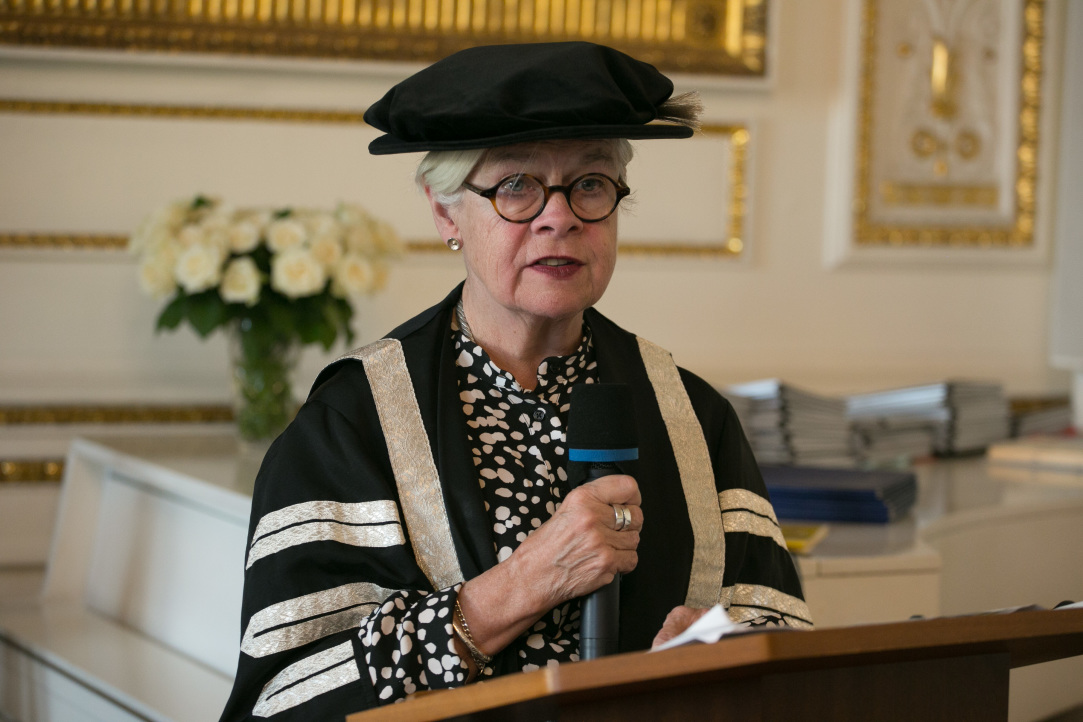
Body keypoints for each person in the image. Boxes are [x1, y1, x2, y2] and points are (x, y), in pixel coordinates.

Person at [219, 41, 810, 720]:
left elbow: (784, 642)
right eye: (515, 186)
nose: (558, 217)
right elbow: (281, 701)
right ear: (446, 214)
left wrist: (728, 652)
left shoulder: (693, 416)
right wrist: (520, 586)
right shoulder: (350, 426)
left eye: (589, 183)